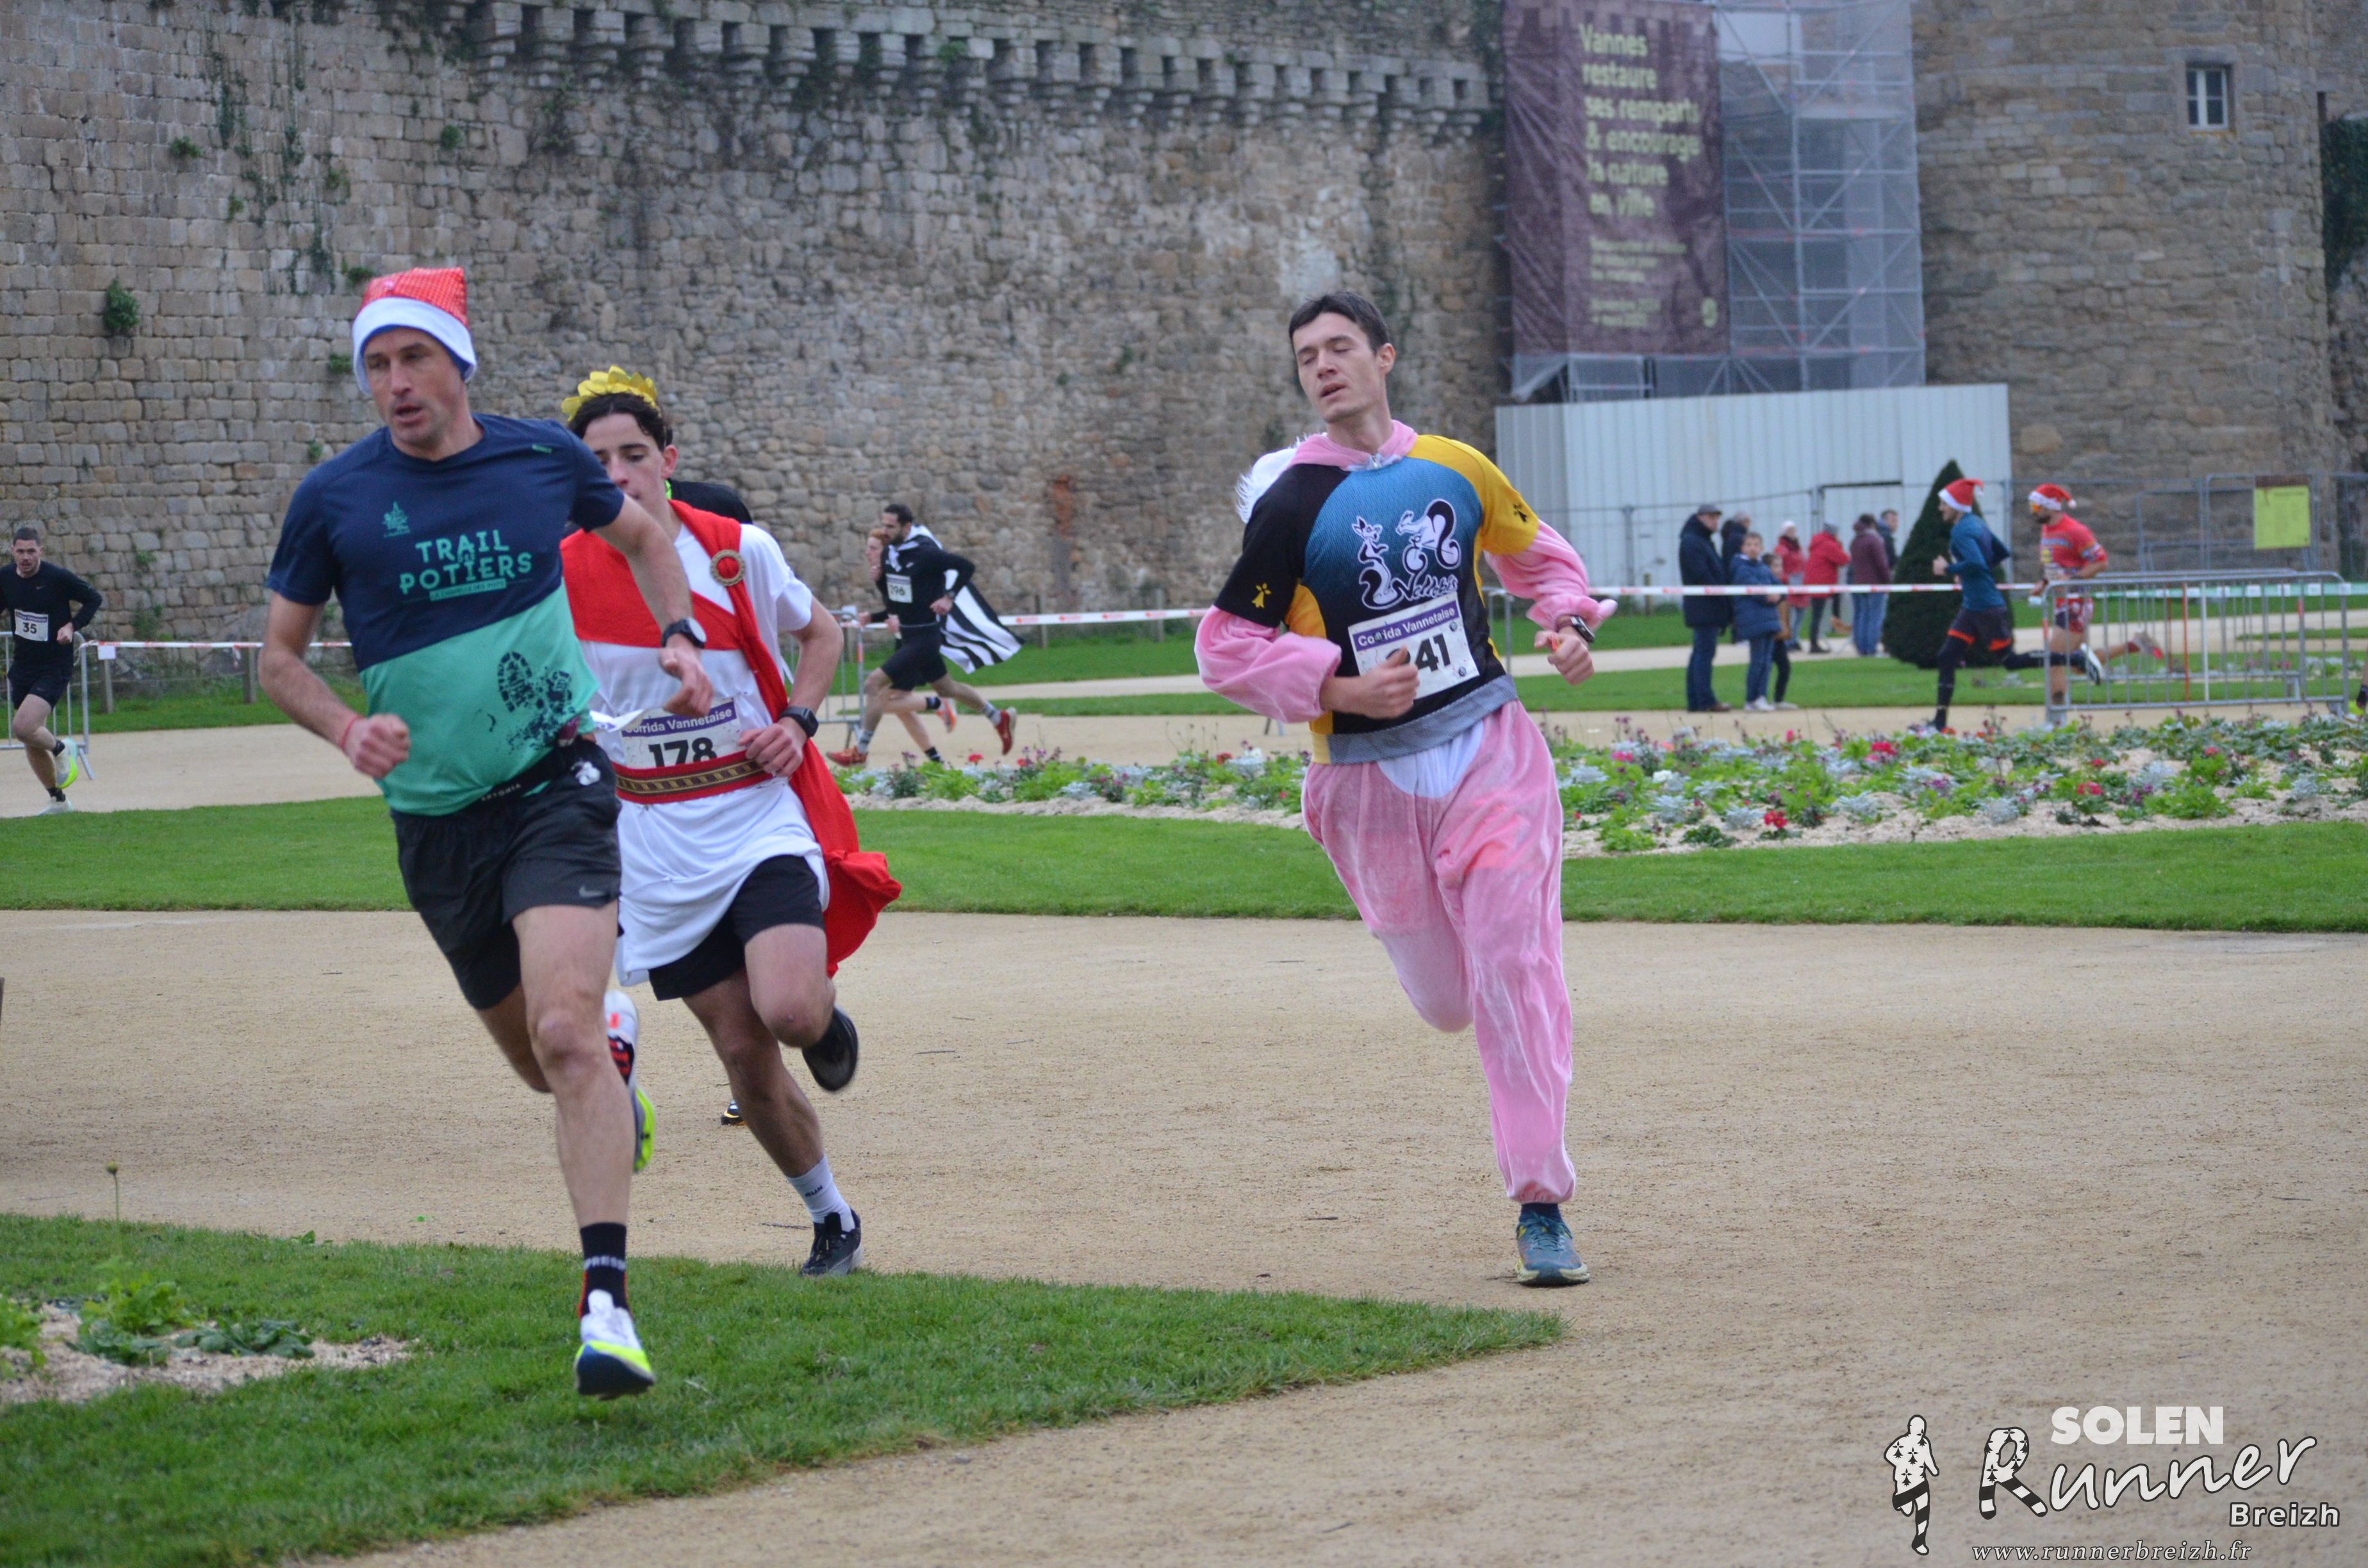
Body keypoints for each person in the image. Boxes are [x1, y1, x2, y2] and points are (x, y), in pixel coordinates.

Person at [260, 268, 715, 1400]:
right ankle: (611, 1077)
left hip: (555, 779)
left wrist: (681, 635)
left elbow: (647, 535)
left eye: (414, 357)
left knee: (565, 1032)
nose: (396, 382)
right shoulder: (333, 498)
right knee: (537, 1062)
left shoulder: (540, 459)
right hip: (435, 822)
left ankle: (606, 1306)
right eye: (376, 364)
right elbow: (278, 660)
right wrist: (345, 726)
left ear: (458, 362)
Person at [1197, 291, 1613, 1287]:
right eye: (1307, 355)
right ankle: (1445, 975)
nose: (1324, 365)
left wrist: (1567, 622)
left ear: (1384, 357)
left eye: (1341, 347)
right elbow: (1225, 649)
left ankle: (1541, 1203)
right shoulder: (1292, 505)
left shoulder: (1457, 467)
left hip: (1489, 750)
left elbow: (1539, 559)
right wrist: (1338, 688)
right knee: (1448, 1002)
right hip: (1367, 785)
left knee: (1513, 965)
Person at [558, 366, 896, 1278]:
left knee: (788, 1011)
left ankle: (823, 1025)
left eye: (634, 454)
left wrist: (797, 721)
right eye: (598, 461)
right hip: (656, 847)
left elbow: (821, 635)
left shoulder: (736, 550)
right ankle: (832, 1218)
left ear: (668, 459)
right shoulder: (561, 570)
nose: (618, 475)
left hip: (755, 818)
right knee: (744, 1054)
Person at [826, 505, 1017, 766]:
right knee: (947, 688)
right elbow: (897, 602)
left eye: (891, 526)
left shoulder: (925, 552)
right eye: (883, 525)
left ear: (906, 527)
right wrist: (880, 582)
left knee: (874, 684)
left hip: (925, 638)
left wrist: (949, 598)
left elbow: (966, 567)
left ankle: (860, 751)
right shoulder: (892, 553)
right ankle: (998, 718)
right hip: (910, 636)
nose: (885, 531)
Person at [1926, 478, 2057, 730]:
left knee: (2010, 661)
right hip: (1974, 606)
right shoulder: (1976, 522)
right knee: (1947, 657)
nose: (1940, 508)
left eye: (1944, 503)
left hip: (1985, 606)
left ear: (1956, 505)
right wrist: (1968, 572)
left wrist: (1949, 568)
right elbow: (2001, 552)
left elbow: (1976, 562)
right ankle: (1939, 723)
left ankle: (2075, 658)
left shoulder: (1961, 531)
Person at [2028, 484, 2162, 706]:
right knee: (2077, 665)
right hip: (2062, 602)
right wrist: (2044, 583)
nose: (2032, 512)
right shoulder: (2047, 530)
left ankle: (2057, 715)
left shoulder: (2075, 531)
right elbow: (2057, 566)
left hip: (2076, 603)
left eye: (2035, 506)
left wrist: (2072, 580)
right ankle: (2135, 645)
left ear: (2050, 506)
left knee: (2054, 658)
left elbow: (2101, 562)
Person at [4, 525, 99, 813]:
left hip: (54, 665)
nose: (26, 557)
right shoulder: (5, 578)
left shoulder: (57, 578)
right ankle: (58, 800)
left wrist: (72, 626)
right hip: (23, 665)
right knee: (30, 738)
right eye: (21, 551)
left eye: (31, 551)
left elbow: (93, 599)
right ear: (12, 551)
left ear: (41, 551)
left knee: (22, 727)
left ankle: (62, 748)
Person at [1727, 531, 1795, 712]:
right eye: (1749, 545)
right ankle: (1752, 699)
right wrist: (1768, 596)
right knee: (1757, 661)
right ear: (1743, 548)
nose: (1753, 548)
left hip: (1768, 619)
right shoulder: (1740, 567)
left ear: (1762, 548)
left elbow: (1778, 585)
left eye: (1756, 545)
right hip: (1753, 620)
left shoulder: (1763, 567)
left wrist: (1778, 594)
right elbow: (1752, 587)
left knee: (1766, 661)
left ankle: (1761, 697)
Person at [1679, 503, 1732, 714]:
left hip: (1707, 606)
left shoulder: (1701, 540)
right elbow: (1701, 574)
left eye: (1717, 517)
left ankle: (1697, 700)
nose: (1715, 521)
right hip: (1703, 606)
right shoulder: (1692, 541)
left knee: (1700, 653)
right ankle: (1704, 700)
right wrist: (1719, 591)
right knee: (1704, 654)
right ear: (1700, 517)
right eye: (1711, 517)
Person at [1848, 512, 1893, 656]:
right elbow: (1882, 564)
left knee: (1863, 616)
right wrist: (1888, 582)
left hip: (1859, 583)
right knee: (1875, 618)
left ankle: (1862, 649)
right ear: (1872, 525)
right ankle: (1872, 648)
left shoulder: (1855, 540)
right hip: (1875, 583)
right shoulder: (1874, 540)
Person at [1802, 522, 1850, 652]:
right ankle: (1815, 643)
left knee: (1817, 614)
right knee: (1817, 616)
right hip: (1822, 584)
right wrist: (1839, 545)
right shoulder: (1829, 545)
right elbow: (1844, 560)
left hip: (1816, 582)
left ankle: (1830, 628)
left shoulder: (1818, 542)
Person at [1772, 521, 1807, 649]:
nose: (1792, 533)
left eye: (1793, 530)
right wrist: (1788, 579)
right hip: (1788, 586)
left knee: (1800, 616)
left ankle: (1794, 639)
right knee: (1789, 617)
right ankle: (1787, 641)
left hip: (1800, 586)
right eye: (1789, 530)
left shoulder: (1798, 548)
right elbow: (1777, 568)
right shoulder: (1780, 549)